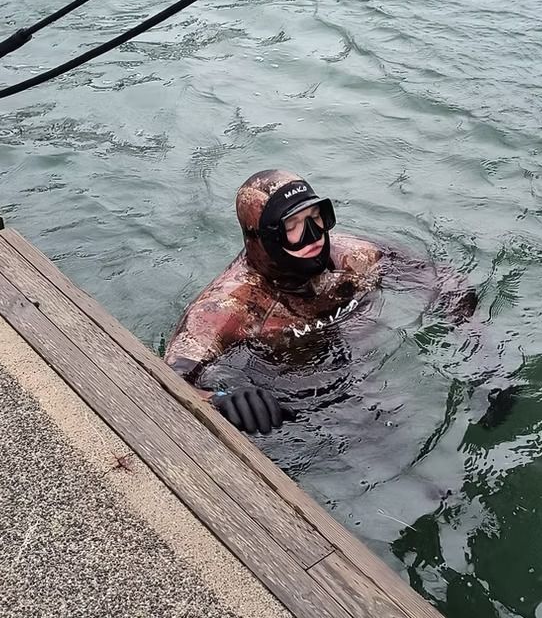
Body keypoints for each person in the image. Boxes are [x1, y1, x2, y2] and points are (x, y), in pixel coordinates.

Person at [164, 168, 482, 434]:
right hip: (286, 411)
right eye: (292, 227)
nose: (313, 236)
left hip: (368, 381)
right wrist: (219, 400)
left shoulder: (354, 258)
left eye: (316, 217)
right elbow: (168, 381)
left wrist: (478, 346)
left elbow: (444, 280)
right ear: (264, 237)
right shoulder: (227, 308)